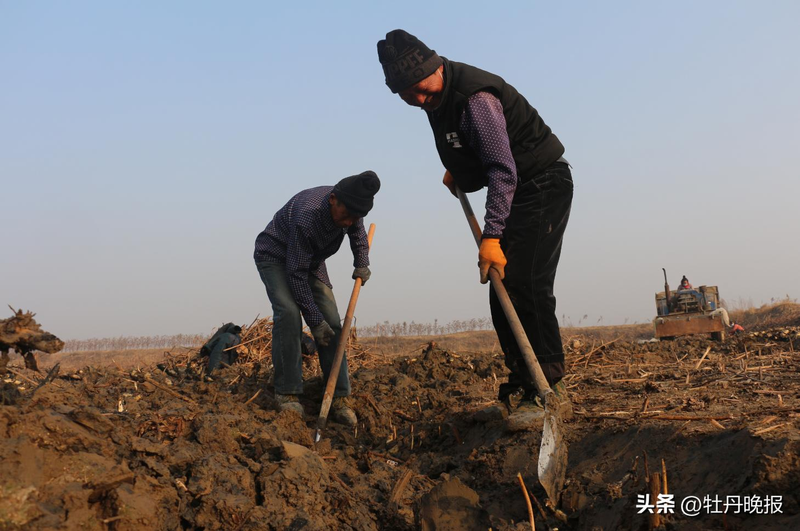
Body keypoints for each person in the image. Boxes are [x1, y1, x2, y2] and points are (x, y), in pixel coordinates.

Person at [377, 30, 573, 425]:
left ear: (435, 67)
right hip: (516, 188)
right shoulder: (436, 98)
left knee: (527, 284)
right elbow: (477, 154)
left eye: (421, 90)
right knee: (502, 290)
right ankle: (522, 384)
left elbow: (503, 170)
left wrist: (493, 235)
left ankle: (549, 389)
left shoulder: (475, 99)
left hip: (540, 184)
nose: (418, 100)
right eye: (406, 95)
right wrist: (461, 173)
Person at [253, 171, 380, 426]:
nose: (348, 222)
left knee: (333, 323)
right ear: (333, 200)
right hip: (276, 256)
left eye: (355, 218)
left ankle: (339, 397)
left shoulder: (352, 208)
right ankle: (287, 392)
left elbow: (357, 236)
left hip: (310, 261)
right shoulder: (308, 217)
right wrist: (314, 321)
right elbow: (296, 274)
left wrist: (362, 263)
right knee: (289, 313)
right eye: (346, 216)